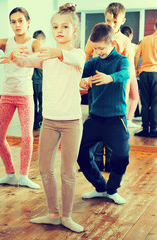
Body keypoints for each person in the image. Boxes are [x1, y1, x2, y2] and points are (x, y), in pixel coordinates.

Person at [2, 3, 85, 232]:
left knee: (67, 172)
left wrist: (52, 51)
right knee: (44, 168)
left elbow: (72, 59)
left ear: (74, 30)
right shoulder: (46, 56)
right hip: (49, 121)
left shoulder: (77, 54)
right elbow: (24, 62)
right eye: (55, 26)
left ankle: (67, 217)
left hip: (71, 123)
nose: (59, 30)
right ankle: (53, 213)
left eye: (65, 26)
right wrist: (14, 55)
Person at [0, 7, 42, 189]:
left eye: (21, 20)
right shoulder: (6, 42)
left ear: (28, 22)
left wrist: (20, 56)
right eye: (13, 21)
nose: (17, 25)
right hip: (7, 95)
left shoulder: (34, 43)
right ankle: (10, 173)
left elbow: (40, 56)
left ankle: (24, 175)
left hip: (25, 95)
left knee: (27, 136)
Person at [78, 23, 130, 205]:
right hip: (95, 118)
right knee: (81, 155)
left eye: (101, 47)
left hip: (116, 119)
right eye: (95, 48)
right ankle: (100, 187)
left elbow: (125, 74)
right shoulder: (93, 63)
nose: (98, 51)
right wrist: (83, 82)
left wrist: (111, 78)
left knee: (122, 157)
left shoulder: (121, 60)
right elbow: (78, 75)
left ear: (112, 42)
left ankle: (112, 189)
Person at [84, 2, 139, 172]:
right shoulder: (96, 34)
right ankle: (97, 161)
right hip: (96, 86)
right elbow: (87, 55)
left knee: (112, 130)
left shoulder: (124, 42)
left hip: (114, 90)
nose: (111, 25)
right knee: (96, 122)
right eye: (108, 21)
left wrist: (124, 91)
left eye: (115, 22)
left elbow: (127, 69)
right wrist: (86, 79)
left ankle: (110, 163)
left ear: (122, 21)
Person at [134, 20, 157, 138]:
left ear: (154, 27)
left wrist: (136, 68)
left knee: (144, 103)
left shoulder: (145, 39)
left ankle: (144, 129)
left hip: (144, 73)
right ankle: (154, 130)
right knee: (155, 103)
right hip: (156, 73)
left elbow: (137, 55)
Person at [32, 30, 46, 130]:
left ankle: (34, 124)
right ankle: (39, 123)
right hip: (40, 81)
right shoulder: (42, 52)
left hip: (30, 81)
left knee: (32, 103)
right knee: (42, 103)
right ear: (40, 39)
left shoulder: (30, 51)